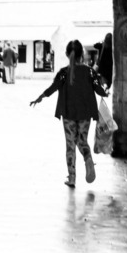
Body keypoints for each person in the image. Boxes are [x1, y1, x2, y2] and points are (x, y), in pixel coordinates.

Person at [30, 39, 107, 187]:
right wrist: (106, 93)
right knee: (82, 140)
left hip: (68, 113)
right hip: (85, 113)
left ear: (66, 54)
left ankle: (72, 178)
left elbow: (53, 87)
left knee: (70, 145)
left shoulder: (64, 73)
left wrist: (40, 97)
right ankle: (88, 158)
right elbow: (98, 88)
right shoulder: (90, 72)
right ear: (82, 55)